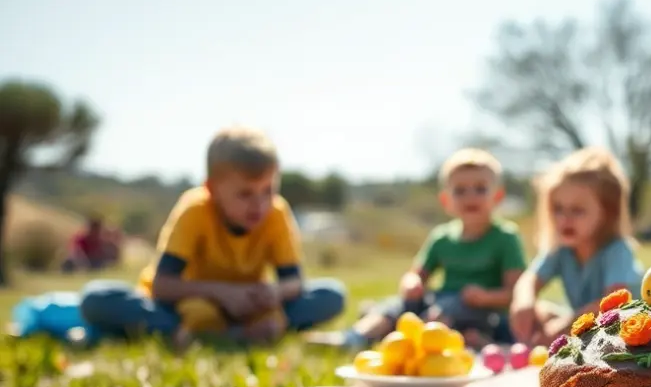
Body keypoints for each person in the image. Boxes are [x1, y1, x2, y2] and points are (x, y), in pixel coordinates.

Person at [79, 127, 346, 347]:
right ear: (212, 189)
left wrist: (274, 291)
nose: (260, 205)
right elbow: (163, 286)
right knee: (96, 299)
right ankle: (220, 332)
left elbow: (294, 282)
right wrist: (221, 293)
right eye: (245, 194)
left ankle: (213, 334)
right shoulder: (195, 210)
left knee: (332, 295)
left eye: (268, 190)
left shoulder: (277, 213)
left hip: (248, 308)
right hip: (181, 306)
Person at [307, 148, 526, 349]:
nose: (470, 196)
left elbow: (515, 293)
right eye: (460, 190)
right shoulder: (442, 237)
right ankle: (356, 337)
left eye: (480, 189)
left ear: (497, 196)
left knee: (444, 317)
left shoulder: (506, 237)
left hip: (481, 311)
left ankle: (409, 341)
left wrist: (486, 297)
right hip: (441, 299)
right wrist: (412, 284)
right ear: (446, 200)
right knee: (398, 305)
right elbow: (417, 274)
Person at [508, 146, 643, 346]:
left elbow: (612, 304)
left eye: (577, 210)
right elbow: (529, 280)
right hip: (583, 324)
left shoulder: (617, 250)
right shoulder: (561, 249)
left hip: (624, 331)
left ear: (608, 212)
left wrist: (564, 325)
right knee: (541, 310)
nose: (565, 219)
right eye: (558, 209)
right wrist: (523, 302)